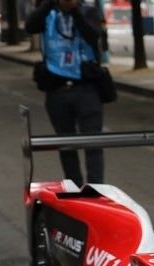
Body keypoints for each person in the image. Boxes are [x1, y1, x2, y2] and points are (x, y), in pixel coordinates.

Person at [25, 0, 105, 186]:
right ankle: (73, 188)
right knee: (66, 144)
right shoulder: (47, 14)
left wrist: (74, 10)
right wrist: (48, 4)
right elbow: (30, 26)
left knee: (92, 143)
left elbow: (93, 36)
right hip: (57, 90)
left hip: (86, 88)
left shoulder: (88, 11)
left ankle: (96, 189)